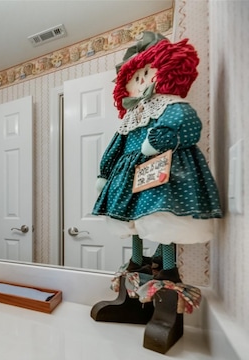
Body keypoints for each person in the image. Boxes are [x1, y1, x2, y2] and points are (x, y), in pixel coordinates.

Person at [92, 32, 222, 286]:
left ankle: (167, 266)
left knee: (162, 216)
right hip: (129, 175)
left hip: (163, 168)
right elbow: (115, 146)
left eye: (146, 75)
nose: (141, 83)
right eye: (135, 79)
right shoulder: (130, 118)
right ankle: (138, 260)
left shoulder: (170, 105)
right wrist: (104, 173)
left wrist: (158, 141)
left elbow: (187, 124)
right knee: (131, 219)